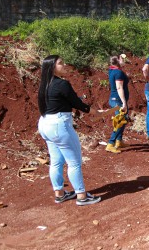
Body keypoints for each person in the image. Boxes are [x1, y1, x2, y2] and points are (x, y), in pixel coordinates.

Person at [37, 55, 101, 206]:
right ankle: (82, 196)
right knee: (74, 162)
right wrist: (94, 112)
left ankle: (59, 194)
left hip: (45, 123)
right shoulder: (62, 84)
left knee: (56, 161)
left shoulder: (44, 84)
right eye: (60, 63)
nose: (64, 65)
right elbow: (77, 103)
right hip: (59, 125)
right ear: (52, 67)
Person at [105, 54, 131, 154]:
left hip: (114, 99)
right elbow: (119, 88)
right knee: (120, 121)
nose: (124, 60)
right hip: (117, 100)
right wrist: (124, 103)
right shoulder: (118, 72)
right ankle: (110, 144)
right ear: (118, 61)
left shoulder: (112, 70)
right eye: (122, 59)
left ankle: (118, 141)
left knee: (123, 120)